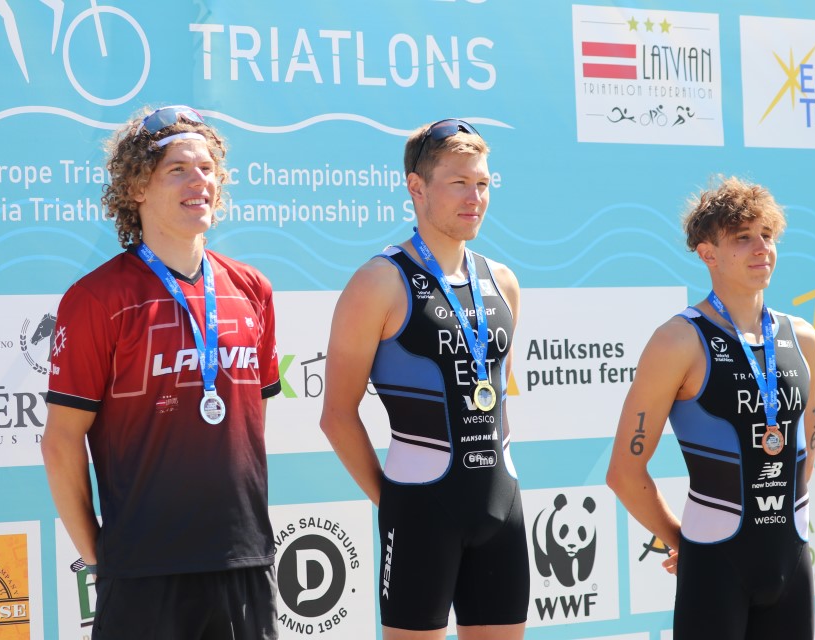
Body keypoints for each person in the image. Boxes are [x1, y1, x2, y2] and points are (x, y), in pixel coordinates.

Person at [41, 105, 282, 639]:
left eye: (207, 169)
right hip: (143, 572)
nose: (200, 181)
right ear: (136, 188)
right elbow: (60, 443)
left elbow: (251, 424)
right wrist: (102, 557)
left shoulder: (252, 289)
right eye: (178, 169)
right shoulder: (97, 298)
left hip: (245, 559)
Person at [320, 119, 528, 639]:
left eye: (482, 183)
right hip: (420, 510)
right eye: (459, 183)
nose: (475, 197)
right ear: (417, 187)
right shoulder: (379, 281)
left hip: (501, 506)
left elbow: (496, 397)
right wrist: (396, 504)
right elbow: (336, 415)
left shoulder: (502, 281)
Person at [606, 176, 815, 639]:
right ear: (708, 254)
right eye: (743, 237)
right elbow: (624, 472)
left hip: (791, 559)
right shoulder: (679, 340)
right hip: (715, 565)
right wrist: (687, 542)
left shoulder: (802, 338)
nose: (762, 248)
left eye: (767, 234)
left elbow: (807, 446)